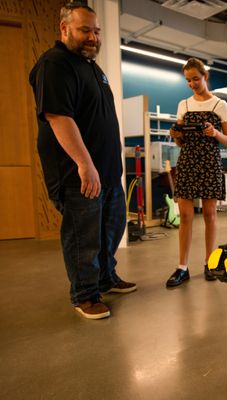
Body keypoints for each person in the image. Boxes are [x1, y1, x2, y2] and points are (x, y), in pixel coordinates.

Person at [29, 2, 136, 319]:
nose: (93, 37)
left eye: (96, 31)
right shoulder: (55, 63)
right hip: (78, 173)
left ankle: (105, 278)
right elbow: (58, 116)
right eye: (84, 30)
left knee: (109, 230)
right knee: (84, 237)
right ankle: (85, 295)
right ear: (64, 29)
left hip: (106, 172)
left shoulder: (91, 67)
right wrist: (85, 164)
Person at [165, 58, 227, 287]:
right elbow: (181, 143)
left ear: (206, 76)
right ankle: (182, 267)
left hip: (209, 163)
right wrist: (176, 136)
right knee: (184, 216)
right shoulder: (183, 105)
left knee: (209, 215)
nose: (192, 84)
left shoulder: (219, 105)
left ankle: (209, 263)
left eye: (195, 78)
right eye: (188, 80)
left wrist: (214, 133)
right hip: (187, 163)